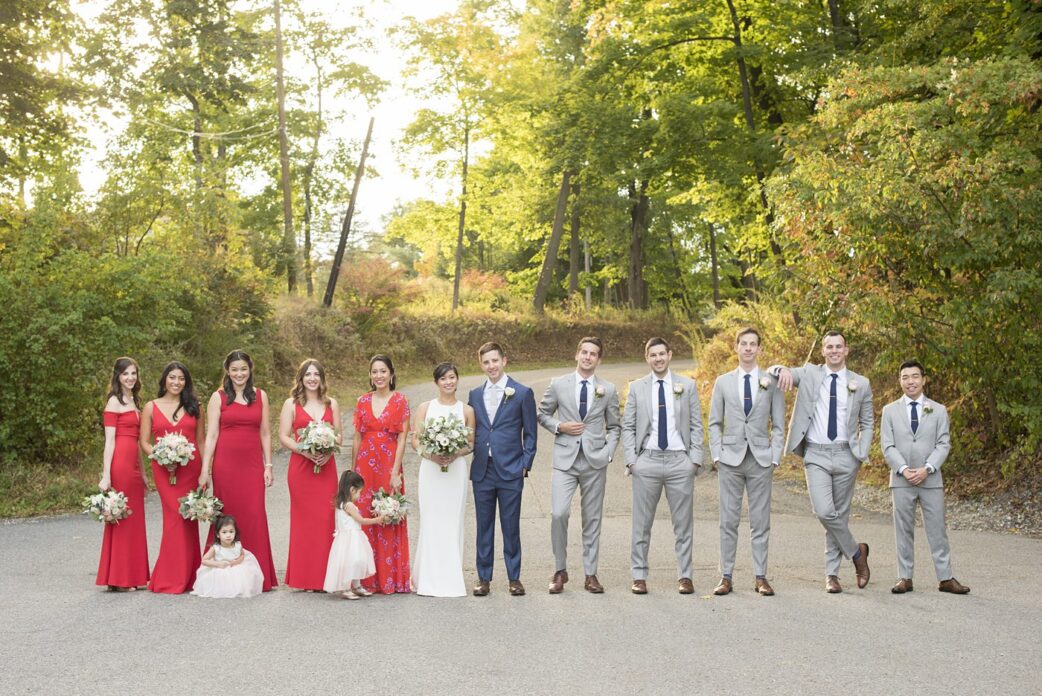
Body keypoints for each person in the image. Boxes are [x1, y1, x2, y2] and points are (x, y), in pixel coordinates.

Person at [772, 330, 873, 593]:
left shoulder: (860, 383)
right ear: (823, 351)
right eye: (829, 347)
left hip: (846, 454)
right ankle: (856, 553)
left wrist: (860, 451)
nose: (834, 351)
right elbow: (779, 372)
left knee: (839, 514)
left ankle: (832, 575)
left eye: (839, 346)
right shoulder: (809, 373)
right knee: (825, 511)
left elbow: (868, 422)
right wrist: (780, 369)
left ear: (846, 350)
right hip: (815, 454)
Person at [537, 337, 621, 594]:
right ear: (576, 355)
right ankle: (560, 570)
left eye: (593, 354)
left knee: (592, 519)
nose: (587, 357)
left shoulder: (608, 389)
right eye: (584, 352)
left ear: (599, 359)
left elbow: (616, 426)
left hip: (595, 460)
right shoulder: (558, 384)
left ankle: (590, 574)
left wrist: (608, 453)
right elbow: (542, 413)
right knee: (559, 514)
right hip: (565, 460)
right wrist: (559, 427)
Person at [621, 338, 704, 595]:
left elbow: (696, 425)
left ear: (670, 355)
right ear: (647, 358)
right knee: (642, 523)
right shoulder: (637, 388)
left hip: (680, 461)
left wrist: (695, 460)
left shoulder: (686, 386)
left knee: (683, 523)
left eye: (661, 354)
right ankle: (639, 575)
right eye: (652, 355)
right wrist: (632, 461)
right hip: (648, 461)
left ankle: (685, 576)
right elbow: (628, 426)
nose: (657, 358)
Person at [707, 328, 786, 597]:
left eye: (753, 344)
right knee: (728, 519)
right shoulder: (723, 382)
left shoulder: (770, 382)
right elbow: (714, 422)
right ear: (736, 347)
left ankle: (760, 577)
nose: (749, 348)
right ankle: (725, 576)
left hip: (761, 459)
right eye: (744, 344)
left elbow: (778, 423)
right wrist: (717, 454)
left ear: (760, 349)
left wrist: (775, 455)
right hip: (730, 458)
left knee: (760, 520)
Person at [881, 360, 970, 595]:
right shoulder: (889, 411)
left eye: (914, 376)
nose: (910, 381)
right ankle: (905, 577)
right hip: (901, 480)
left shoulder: (938, 409)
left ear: (923, 379)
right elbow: (887, 446)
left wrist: (927, 468)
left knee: (937, 528)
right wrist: (903, 469)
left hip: (930, 479)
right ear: (900, 381)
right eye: (905, 377)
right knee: (903, 529)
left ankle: (945, 578)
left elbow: (943, 443)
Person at [198, 350, 278, 591]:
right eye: (234, 370)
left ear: (250, 369)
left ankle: (258, 575)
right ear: (228, 371)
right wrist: (205, 470)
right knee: (226, 515)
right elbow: (211, 435)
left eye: (243, 369)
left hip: (252, 466)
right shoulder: (218, 397)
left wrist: (268, 466)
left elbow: (265, 433)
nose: (239, 374)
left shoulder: (261, 396)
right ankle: (221, 572)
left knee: (254, 514)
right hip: (226, 465)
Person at [468, 342, 537, 597]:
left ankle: (514, 577)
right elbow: (474, 429)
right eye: (486, 362)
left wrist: (524, 465)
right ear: (481, 365)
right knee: (483, 526)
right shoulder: (475, 395)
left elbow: (530, 434)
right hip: (483, 471)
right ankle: (483, 578)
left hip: (510, 470)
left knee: (510, 525)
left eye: (495, 361)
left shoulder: (521, 392)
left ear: (504, 361)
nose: (491, 366)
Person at [411, 362, 475, 598]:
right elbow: (415, 441)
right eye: (443, 379)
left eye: (452, 377)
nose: (448, 382)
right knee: (431, 520)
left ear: (457, 380)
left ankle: (451, 578)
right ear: (436, 382)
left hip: (455, 471)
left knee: (452, 521)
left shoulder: (466, 410)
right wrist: (432, 455)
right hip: (430, 470)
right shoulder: (425, 408)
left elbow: (470, 444)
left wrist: (454, 453)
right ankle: (427, 578)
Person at [140, 361, 204, 594]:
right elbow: (144, 441)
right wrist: (160, 456)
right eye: (172, 378)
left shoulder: (194, 406)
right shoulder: (151, 406)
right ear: (164, 379)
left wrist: (206, 470)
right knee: (174, 517)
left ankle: (189, 576)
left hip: (190, 469)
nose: (176, 382)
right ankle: (170, 577)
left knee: (188, 518)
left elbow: (201, 441)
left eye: (181, 379)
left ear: (186, 382)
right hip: (164, 469)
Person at [352, 354, 411, 594]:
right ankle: (366, 579)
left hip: (388, 464)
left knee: (387, 514)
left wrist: (396, 471)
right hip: (365, 465)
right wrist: (352, 471)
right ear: (370, 375)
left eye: (383, 371)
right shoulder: (362, 401)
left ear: (391, 374)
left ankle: (390, 578)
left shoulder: (400, 400)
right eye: (375, 372)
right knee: (365, 515)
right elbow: (357, 437)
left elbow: (403, 436)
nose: (379, 376)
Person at [279, 359, 340, 591]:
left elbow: (339, 437)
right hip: (301, 469)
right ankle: (303, 578)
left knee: (325, 519)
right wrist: (304, 451)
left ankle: (325, 577)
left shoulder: (331, 403)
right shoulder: (291, 404)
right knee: (303, 521)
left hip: (326, 466)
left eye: (316, 374)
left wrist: (327, 450)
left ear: (322, 378)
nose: (312, 378)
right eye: (308, 374)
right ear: (301, 378)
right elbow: (284, 436)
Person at [96, 357, 149, 591]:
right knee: (121, 518)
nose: (130, 378)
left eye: (133, 373)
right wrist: (106, 474)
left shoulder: (134, 401)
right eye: (125, 374)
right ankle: (119, 578)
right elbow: (109, 442)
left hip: (134, 465)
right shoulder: (114, 402)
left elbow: (138, 443)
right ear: (117, 376)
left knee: (134, 519)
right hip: (120, 463)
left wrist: (144, 473)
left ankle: (133, 575)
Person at [323, 470, 386, 599]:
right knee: (351, 562)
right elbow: (361, 520)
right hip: (351, 539)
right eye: (359, 492)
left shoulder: (340, 503)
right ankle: (347, 587)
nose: (359, 495)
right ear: (352, 490)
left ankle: (356, 586)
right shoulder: (349, 505)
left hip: (349, 538)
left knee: (356, 561)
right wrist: (377, 520)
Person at [191, 515, 264, 598]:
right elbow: (204, 560)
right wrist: (217, 564)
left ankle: (238, 589)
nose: (228, 535)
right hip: (220, 568)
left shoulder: (237, 545)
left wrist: (237, 561)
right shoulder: (216, 548)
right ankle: (221, 590)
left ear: (235, 532)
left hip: (235, 566)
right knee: (221, 577)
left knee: (241, 574)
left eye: (231, 531)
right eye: (224, 532)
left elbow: (242, 555)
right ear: (218, 534)